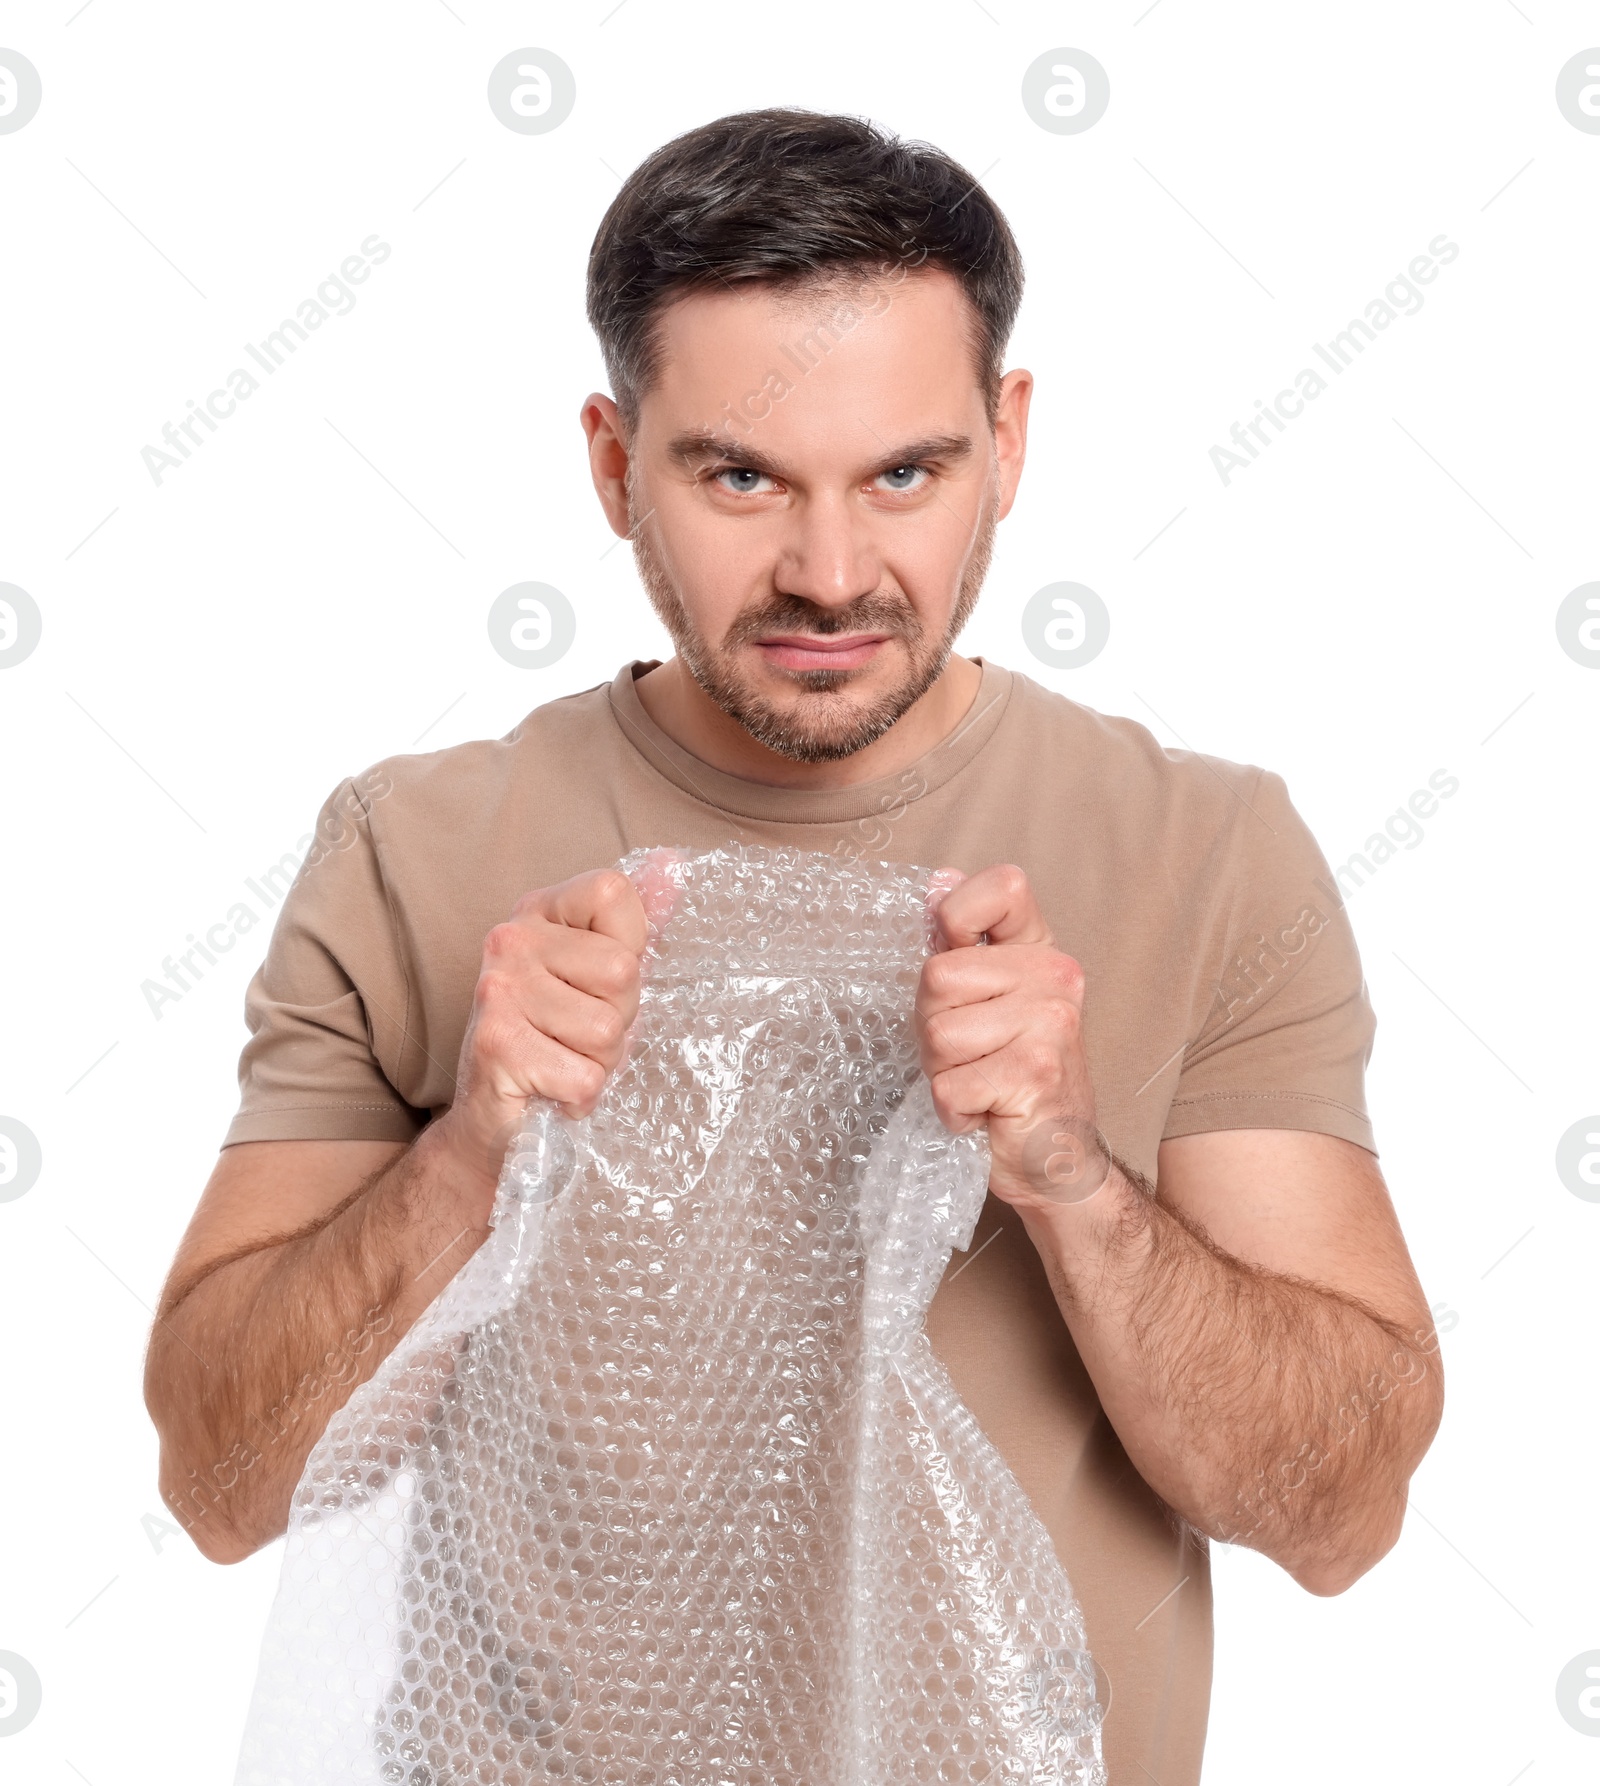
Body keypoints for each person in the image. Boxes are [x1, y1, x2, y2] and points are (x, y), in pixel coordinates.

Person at [144, 108, 1442, 1784]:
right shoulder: (414, 851)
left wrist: (1067, 1170)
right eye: (739, 475)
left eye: (907, 472)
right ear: (616, 466)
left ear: (1012, 440)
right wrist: (468, 1153)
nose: (834, 576)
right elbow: (219, 1482)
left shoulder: (1207, 849)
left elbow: (1339, 1514)